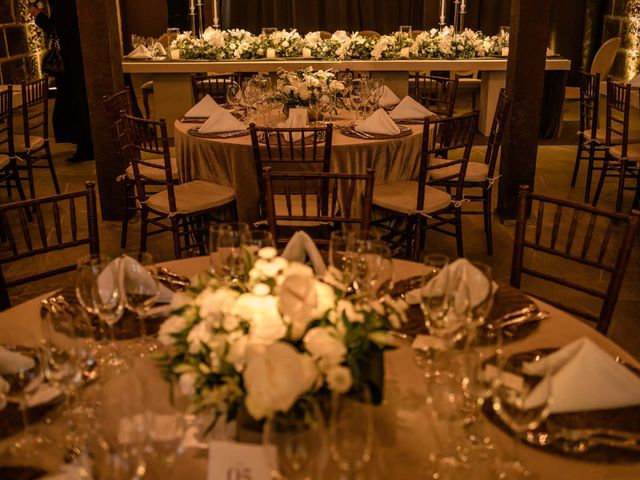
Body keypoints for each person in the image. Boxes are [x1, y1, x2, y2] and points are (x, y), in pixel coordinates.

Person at [30, 0, 94, 163]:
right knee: (77, 103)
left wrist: (38, 15)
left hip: (72, 62)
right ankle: (85, 144)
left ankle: (86, 146)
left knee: (76, 104)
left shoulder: (64, 4)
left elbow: (57, 31)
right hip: (77, 60)